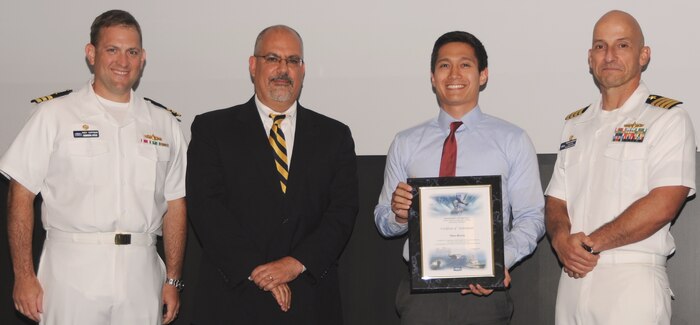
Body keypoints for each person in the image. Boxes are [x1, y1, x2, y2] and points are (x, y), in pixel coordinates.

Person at [0, 9, 187, 325]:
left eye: (132, 52)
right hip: (72, 271)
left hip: (141, 273)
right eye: (112, 50)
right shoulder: (54, 115)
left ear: (143, 58)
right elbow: (20, 195)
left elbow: (175, 204)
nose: (122, 61)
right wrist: (23, 274)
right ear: (91, 54)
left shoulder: (164, 124)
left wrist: (173, 280)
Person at [186, 25, 359, 325]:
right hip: (233, 298)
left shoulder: (335, 135)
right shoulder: (212, 129)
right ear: (253, 66)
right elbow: (207, 210)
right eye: (272, 58)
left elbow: (342, 213)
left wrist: (294, 265)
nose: (283, 69)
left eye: (293, 60)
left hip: (309, 300)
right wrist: (258, 270)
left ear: (303, 70)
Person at [374, 31, 545, 324]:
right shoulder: (405, 142)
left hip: (485, 296)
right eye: (444, 65)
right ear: (432, 77)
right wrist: (399, 215)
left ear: (483, 75)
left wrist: (498, 262)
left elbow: (532, 217)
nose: (454, 74)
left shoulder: (512, 140)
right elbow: (382, 219)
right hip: (420, 296)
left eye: (465, 64)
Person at [545, 10, 696, 324]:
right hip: (572, 280)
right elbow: (556, 201)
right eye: (600, 46)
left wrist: (588, 244)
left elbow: (664, 204)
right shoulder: (575, 124)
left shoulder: (667, 118)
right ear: (590, 58)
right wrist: (561, 243)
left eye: (622, 45)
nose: (609, 55)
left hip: (631, 280)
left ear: (644, 55)